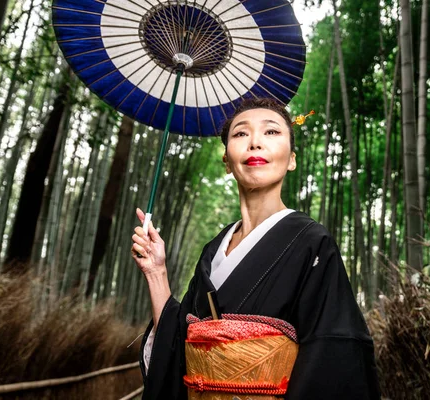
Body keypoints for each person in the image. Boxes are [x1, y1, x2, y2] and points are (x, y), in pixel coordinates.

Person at [131, 98, 380, 400]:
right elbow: (178, 344)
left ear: (291, 159)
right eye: (240, 134)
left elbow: (335, 355)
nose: (255, 143)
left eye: (271, 132)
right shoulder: (213, 252)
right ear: (226, 161)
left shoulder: (313, 243)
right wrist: (156, 272)